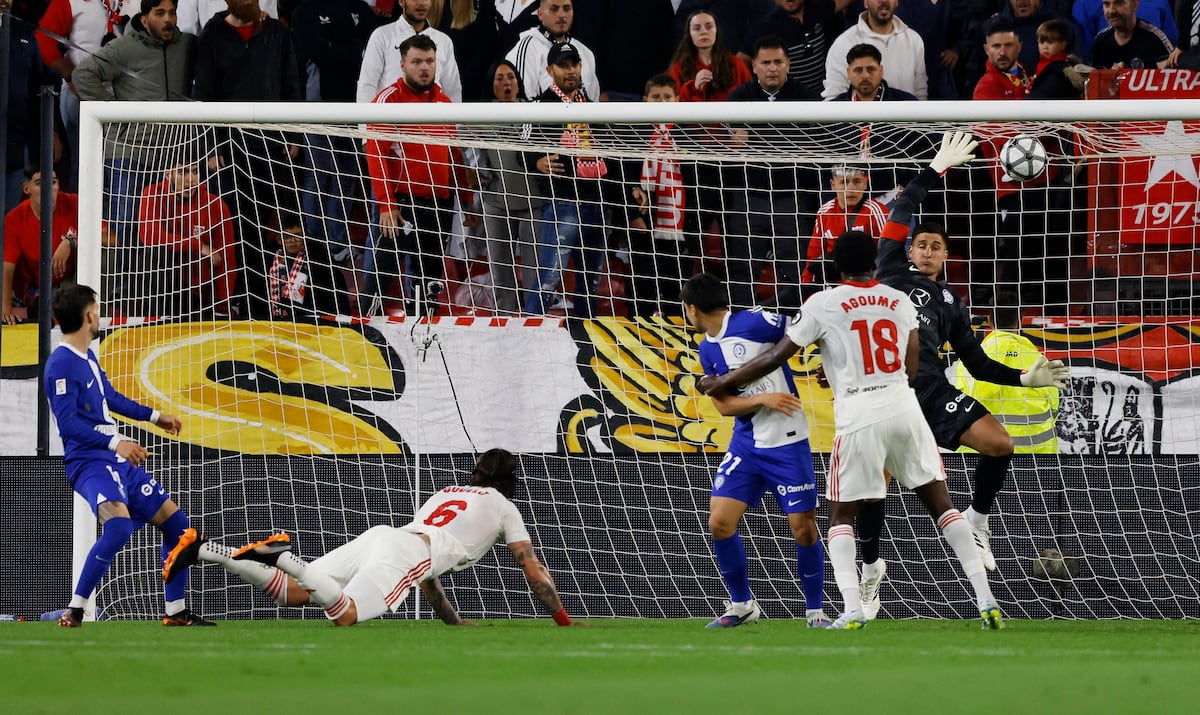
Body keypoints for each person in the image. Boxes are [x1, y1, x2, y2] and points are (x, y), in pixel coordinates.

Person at [698, 198, 1006, 630]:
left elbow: (773, 358)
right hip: (905, 407)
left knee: (841, 516)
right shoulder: (898, 299)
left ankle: (852, 610)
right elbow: (911, 366)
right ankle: (986, 600)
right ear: (874, 264)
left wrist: (721, 382)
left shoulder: (822, 303)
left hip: (859, 414)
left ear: (837, 266)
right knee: (943, 506)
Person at [848, 135, 1066, 610]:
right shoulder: (889, 268)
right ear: (909, 250)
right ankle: (870, 567)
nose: (927, 251)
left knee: (1000, 443)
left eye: (936, 247)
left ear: (946, 256)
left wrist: (1024, 379)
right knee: (874, 488)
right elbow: (903, 205)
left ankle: (978, 518)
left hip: (928, 389)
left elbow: (977, 363)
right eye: (921, 244)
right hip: (883, 391)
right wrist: (935, 169)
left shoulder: (950, 302)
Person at [163, 449, 581, 627]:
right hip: (407, 550)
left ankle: (206, 550)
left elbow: (425, 575)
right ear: (510, 481)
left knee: (292, 593)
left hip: (387, 536)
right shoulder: (505, 506)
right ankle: (282, 555)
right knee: (344, 615)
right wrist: (563, 619)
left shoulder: (445, 492)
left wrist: (453, 622)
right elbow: (532, 570)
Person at [45, 284, 212, 628]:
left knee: (179, 528)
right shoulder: (60, 364)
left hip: (115, 458)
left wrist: (155, 417)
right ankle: (75, 609)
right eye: (98, 309)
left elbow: (110, 398)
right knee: (119, 527)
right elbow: (68, 424)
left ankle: (176, 612)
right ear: (88, 316)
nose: (100, 315)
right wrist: (115, 444)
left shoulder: (87, 356)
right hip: (89, 462)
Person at [681, 273, 829, 629]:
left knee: (803, 529)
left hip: (787, 439)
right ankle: (742, 605)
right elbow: (724, 406)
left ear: (692, 309)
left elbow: (806, 330)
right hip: (746, 444)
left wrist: (829, 363)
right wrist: (763, 399)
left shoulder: (754, 321)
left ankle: (815, 612)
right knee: (719, 522)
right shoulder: (707, 349)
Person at [364, 34, 475, 318]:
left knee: (428, 279)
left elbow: (454, 155)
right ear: (402, 64)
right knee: (382, 272)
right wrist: (386, 204)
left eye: (429, 61)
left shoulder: (445, 104)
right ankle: (365, 328)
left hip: (439, 204)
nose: (424, 67)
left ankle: (423, 331)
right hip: (401, 203)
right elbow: (375, 154)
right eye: (416, 62)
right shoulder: (388, 100)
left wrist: (465, 199)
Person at [521, 42, 616, 317]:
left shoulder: (593, 107)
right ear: (550, 70)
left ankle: (585, 338)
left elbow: (612, 151)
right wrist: (535, 161)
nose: (570, 70)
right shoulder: (540, 106)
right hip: (563, 202)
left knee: (591, 283)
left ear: (581, 67)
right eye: (563, 65)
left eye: (574, 64)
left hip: (597, 203)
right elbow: (521, 145)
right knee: (549, 277)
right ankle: (530, 333)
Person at [955, 295, 1060, 453]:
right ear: (1020, 320)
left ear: (989, 320)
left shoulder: (967, 361)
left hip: (981, 456)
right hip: (1035, 457)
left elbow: (960, 408)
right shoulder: (1040, 361)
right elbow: (1054, 410)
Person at [476, 60, 540, 315]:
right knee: (500, 270)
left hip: (532, 202)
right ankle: (503, 320)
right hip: (496, 202)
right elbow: (473, 158)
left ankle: (535, 318)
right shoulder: (481, 117)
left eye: (511, 77)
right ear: (491, 85)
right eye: (500, 78)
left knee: (534, 269)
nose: (506, 83)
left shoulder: (534, 113)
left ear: (519, 83)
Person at [137, 157, 238, 318]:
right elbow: (150, 236)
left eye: (195, 171)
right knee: (154, 254)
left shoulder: (215, 205)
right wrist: (198, 246)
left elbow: (226, 258)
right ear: (168, 175)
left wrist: (222, 302)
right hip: (161, 287)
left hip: (196, 293)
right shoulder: (153, 193)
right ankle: (154, 318)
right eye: (182, 172)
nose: (190, 179)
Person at [627, 74, 692, 318]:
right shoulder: (634, 134)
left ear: (677, 100)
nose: (662, 102)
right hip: (644, 222)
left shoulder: (687, 135)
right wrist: (632, 213)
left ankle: (678, 327)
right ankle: (639, 327)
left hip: (680, 226)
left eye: (667, 97)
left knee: (677, 282)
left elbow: (698, 184)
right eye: (656, 97)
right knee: (642, 279)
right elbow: (624, 176)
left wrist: (695, 224)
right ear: (645, 100)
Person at [3, 168, 77, 325]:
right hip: (34, 282)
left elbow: (111, 239)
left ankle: (104, 308)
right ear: (27, 189)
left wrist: (70, 241)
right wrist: (6, 307)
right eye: (39, 183)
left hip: (70, 279)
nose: (48, 188)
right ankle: (34, 300)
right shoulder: (15, 218)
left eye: (52, 182)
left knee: (103, 256)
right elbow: (7, 268)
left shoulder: (73, 203)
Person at [357, 0, 462, 104]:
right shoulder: (382, 35)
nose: (421, 3)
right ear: (401, 2)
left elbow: (453, 89)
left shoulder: (443, 40)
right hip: (391, 112)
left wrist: (456, 115)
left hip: (432, 113)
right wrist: (366, 115)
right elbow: (367, 84)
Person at [801, 163, 887, 289]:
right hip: (833, 287)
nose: (850, 188)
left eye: (857, 181)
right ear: (833, 185)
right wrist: (805, 288)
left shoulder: (875, 211)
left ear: (865, 184)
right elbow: (813, 255)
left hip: (867, 285)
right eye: (844, 182)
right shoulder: (825, 212)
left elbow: (887, 255)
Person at [821, 0, 927, 100]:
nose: (884, 1)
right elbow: (834, 97)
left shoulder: (914, 40)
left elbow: (920, 93)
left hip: (907, 113)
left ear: (897, 2)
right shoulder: (844, 43)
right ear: (866, 2)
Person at [737, 0, 842, 97]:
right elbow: (740, 61)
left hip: (822, 100)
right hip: (788, 104)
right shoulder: (765, 28)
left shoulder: (817, 10)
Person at [505, 0, 601, 101]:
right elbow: (521, 102)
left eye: (567, 9)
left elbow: (594, 103)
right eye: (554, 9)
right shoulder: (528, 47)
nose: (562, 15)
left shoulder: (586, 53)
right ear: (540, 14)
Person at [266, 212, 351, 319]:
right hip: (276, 319)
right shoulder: (269, 256)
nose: (292, 241)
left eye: (297, 236)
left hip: (312, 317)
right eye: (287, 236)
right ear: (279, 239)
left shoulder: (318, 255)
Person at [669, 9, 753, 102]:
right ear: (689, 34)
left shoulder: (736, 64)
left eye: (709, 27)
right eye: (697, 28)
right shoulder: (678, 68)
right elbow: (672, 103)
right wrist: (694, 88)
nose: (703, 32)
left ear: (717, 30)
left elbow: (750, 99)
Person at [729, 35, 823, 100]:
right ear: (754, 66)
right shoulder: (739, 99)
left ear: (788, 65)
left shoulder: (807, 98)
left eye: (778, 62)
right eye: (766, 63)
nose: (773, 69)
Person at [1090, 0, 1178, 69]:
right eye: (1106, 4)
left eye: (1119, 3)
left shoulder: (1156, 39)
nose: (1111, 10)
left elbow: (1175, 68)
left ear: (1135, 4)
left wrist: (1133, 70)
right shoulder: (1100, 42)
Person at [830, 42, 920, 102]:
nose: (865, 75)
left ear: (881, 71)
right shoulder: (833, 109)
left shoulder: (908, 104)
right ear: (848, 73)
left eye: (871, 69)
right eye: (858, 70)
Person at [1027, 18, 1085, 99]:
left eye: (1050, 42)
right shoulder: (1040, 62)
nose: (1045, 47)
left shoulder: (1062, 70)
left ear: (1063, 44)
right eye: (1041, 42)